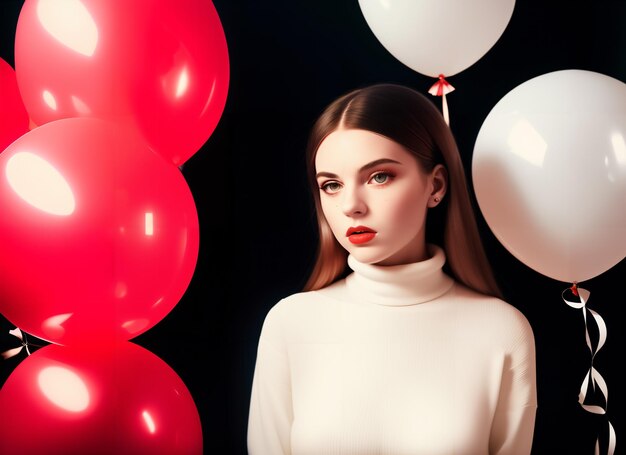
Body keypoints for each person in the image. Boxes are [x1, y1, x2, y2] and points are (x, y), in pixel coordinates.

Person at [247, 83, 537, 455]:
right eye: (331, 185)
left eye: (379, 176)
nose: (351, 205)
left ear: (436, 185)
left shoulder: (502, 331)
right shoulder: (289, 323)